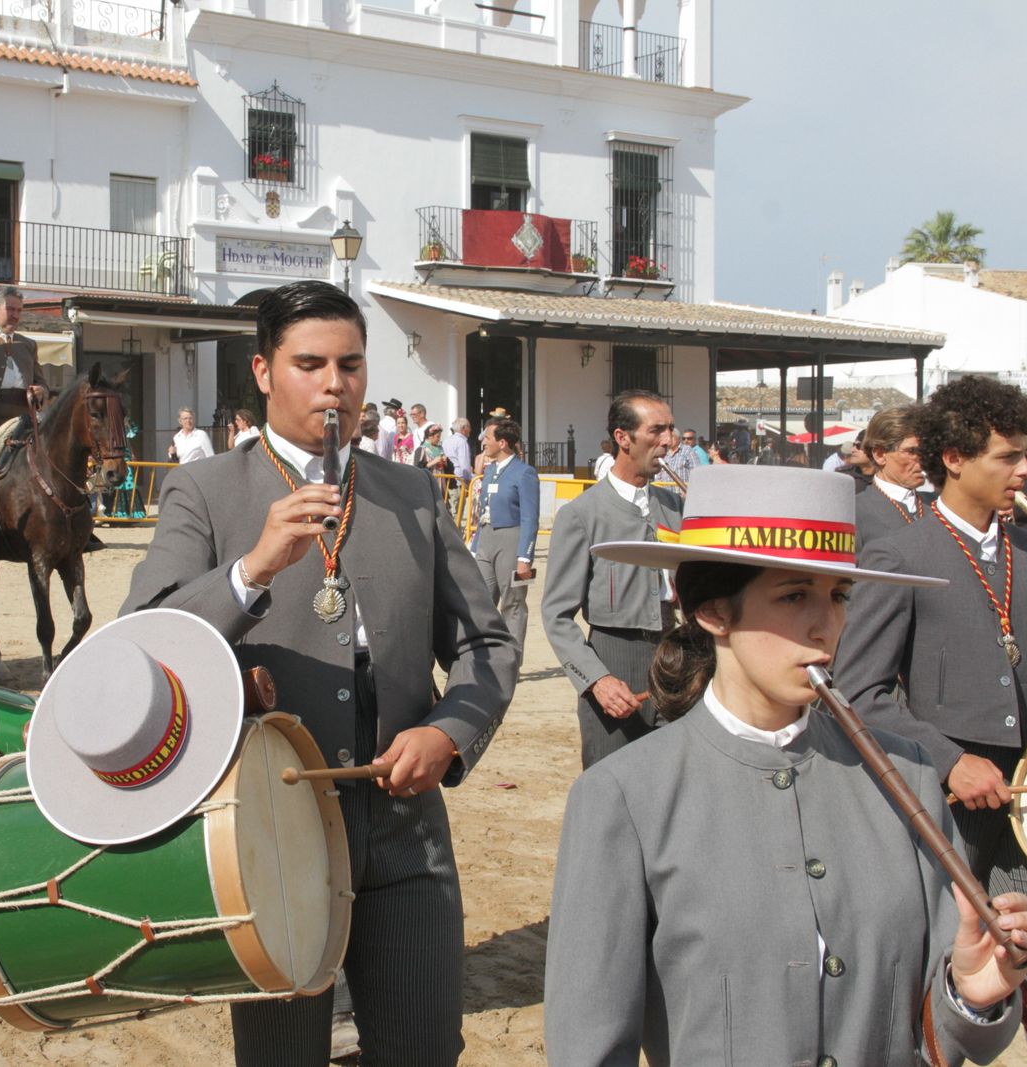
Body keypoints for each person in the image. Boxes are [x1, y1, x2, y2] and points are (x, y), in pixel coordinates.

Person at [121, 279, 517, 1067]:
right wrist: (253, 568)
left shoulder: (412, 490)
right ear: (263, 371)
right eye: (310, 364)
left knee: (424, 1050)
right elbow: (142, 643)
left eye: (351, 364)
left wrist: (449, 733)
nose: (335, 384)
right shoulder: (205, 489)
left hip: (405, 827)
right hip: (272, 828)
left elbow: (486, 643)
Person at [547, 464, 1027, 1066]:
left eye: (838, 596)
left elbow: (944, 1036)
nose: (825, 627)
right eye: (793, 595)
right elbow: (589, 1044)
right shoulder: (624, 795)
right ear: (712, 611)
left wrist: (971, 994)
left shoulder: (907, 775)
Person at [835, 375, 1027, 1065]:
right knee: (917, 968)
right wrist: (949, 761)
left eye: (1024, 453)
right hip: (936, 813)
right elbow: (858, 691)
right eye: (1009, 456)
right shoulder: (900, 554)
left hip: (1025, 809)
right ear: (954, 459)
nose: (1026, 470)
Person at [541, 389, 680, 768]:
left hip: (674, 661)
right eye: (657, 430)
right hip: (614, 661)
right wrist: (597, 680)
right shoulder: (581, 515)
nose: (669, 441)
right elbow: (556, 615)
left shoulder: (676, 507)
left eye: (670, 429)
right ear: (623, 438)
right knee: (612, 782)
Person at [472, 419, 539, 659]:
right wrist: (475, 546)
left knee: (513, 602)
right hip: (486, 538)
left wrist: (525, 557)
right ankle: (486, 655)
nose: (483, 442)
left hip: (512, 539)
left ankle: (511, 659)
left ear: (502, 443)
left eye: (487, 438)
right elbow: (483, 510)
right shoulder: (490, 470)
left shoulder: (524, 472)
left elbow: (530, 517)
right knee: (481, 599)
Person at [856, 404, 931, 554]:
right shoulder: (855, 511)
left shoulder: (938, 506)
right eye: (911, 451)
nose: (922, 459)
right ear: (880, 455)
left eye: (925, 451)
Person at [0, 286, 47, 431]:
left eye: (19, 310)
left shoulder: (28, 345)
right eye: (10, 309)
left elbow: (41, 383)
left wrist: (41, 391)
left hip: (23, 422)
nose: (16, 315)